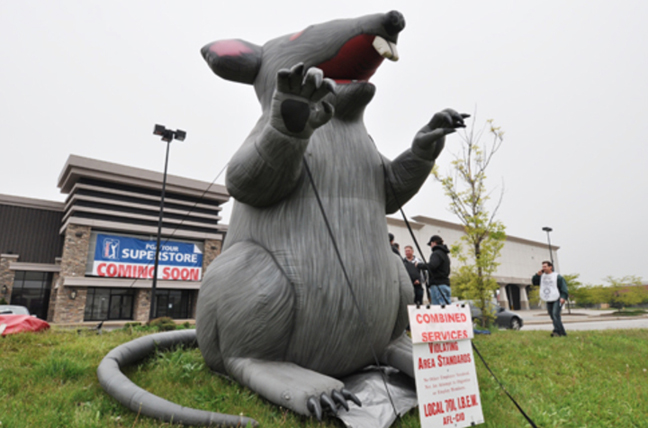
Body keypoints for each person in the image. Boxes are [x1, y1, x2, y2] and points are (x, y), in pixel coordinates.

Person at [532, 261, 568, 337]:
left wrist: (563, 296)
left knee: (555, 314)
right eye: (543, 267)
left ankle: (556, 331)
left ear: (550, 267)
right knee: (552, 315)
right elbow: (534, 282)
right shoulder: (542, 276)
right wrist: (537, 275)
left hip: (557, 298)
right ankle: (562, 332)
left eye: (545, 266)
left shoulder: (557, 276)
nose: (543, 268)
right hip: (548, 297)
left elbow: (563, 287)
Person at [417, 235, 451, 305]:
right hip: (445, 284)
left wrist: (420, 265)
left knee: (439, 308)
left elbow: (432, 265)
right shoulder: (445, 255)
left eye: (430, 244)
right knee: (447, 308)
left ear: (434, 243)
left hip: (437, 284)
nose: (430, 246)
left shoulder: (436, 253)